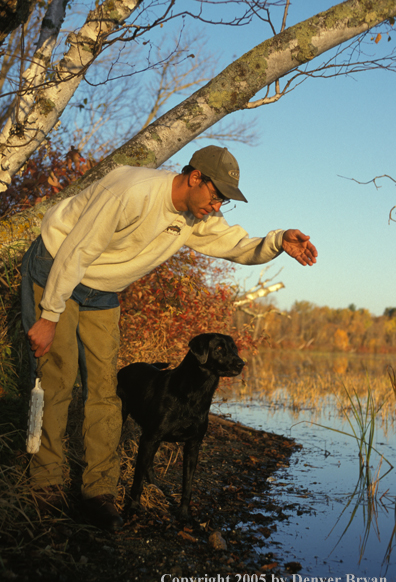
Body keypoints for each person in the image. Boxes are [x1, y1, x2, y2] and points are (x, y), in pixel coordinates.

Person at [21, 145, 317, 531]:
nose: (216, 207)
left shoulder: (197, 217)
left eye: (224, 201)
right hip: (57, 264)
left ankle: (98, 493)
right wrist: (50, 316)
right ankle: (46, 487)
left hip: (102, 290)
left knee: (105, 390)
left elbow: (237, 245)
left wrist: (278, 242)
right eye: (215, 196)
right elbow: (78, 250)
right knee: (57, 380)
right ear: (195, 177)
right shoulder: (131, 190)